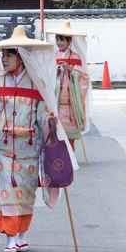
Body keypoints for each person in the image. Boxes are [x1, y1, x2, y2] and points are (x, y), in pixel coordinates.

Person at [0, 27, 76, 252]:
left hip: (29, 149)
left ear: (21, 56)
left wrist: (49, 122)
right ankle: (10, 239)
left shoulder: (35, 84)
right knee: (8, 193)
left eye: (8, 55)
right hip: (3, 148)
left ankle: (21, 235)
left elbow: (42, 114)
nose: (4, 59)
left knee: (25, 194)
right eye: (3, 55)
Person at [47, 21, 91, 163]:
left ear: (69, 41)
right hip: (56, 99)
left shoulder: (75, 57)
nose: (59, 43)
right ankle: (60, 156)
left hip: (70, 101)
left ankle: (70, 156)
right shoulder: (53, 56)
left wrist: (71, 70)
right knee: (57, 131)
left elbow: (84, 77)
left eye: (62, 40)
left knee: (70, 132)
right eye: (57, 39)